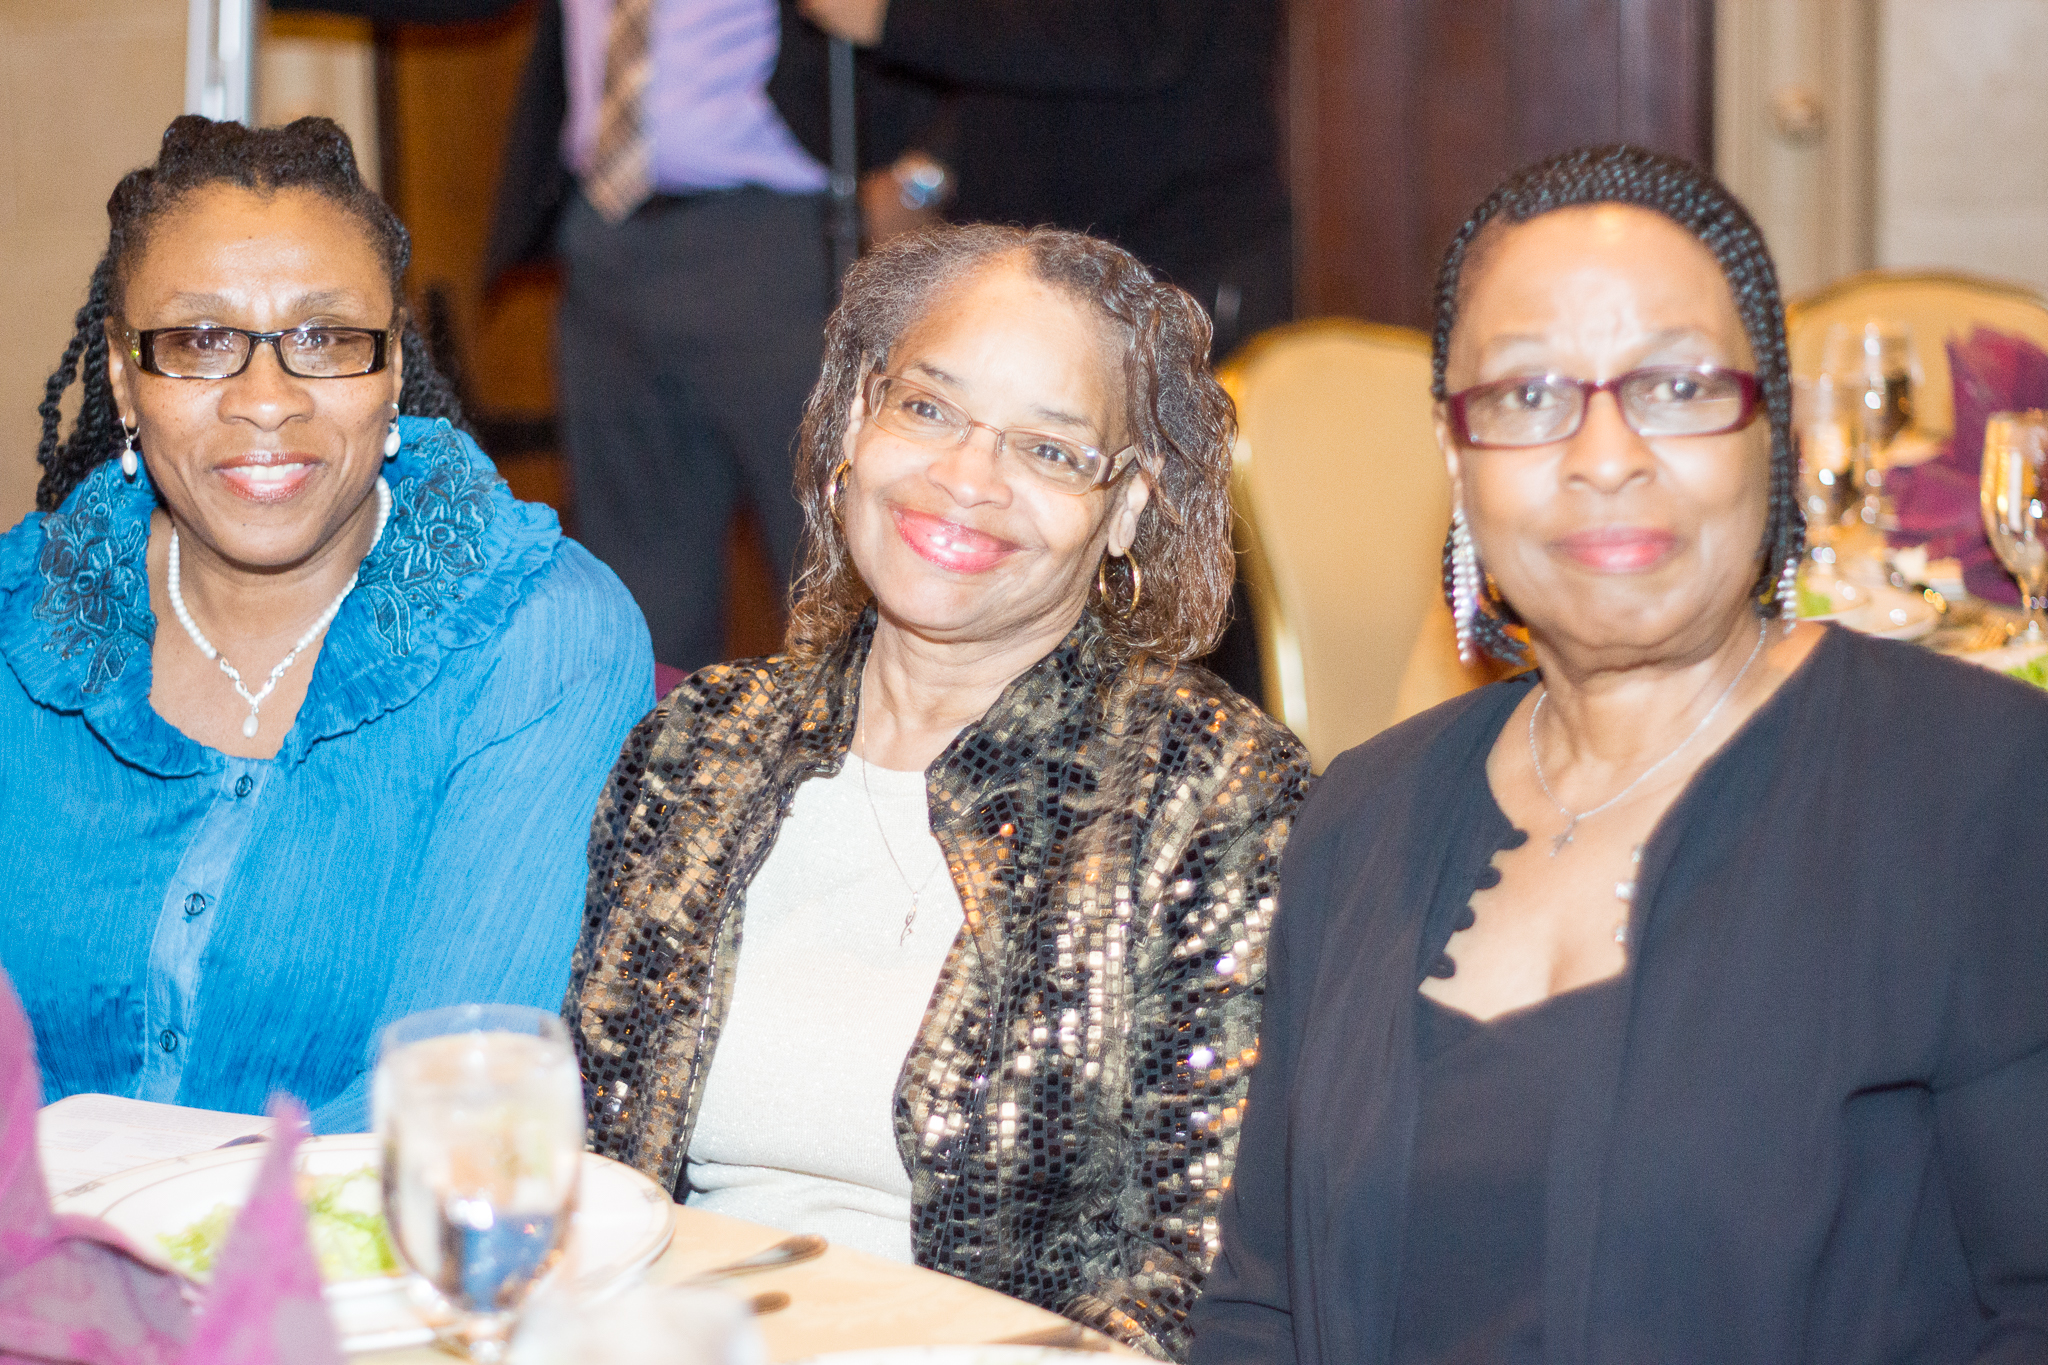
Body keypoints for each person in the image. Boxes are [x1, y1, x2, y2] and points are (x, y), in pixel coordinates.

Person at [1187, 146, 2048, 1364]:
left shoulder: (1980, 787)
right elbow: (1259, 1309)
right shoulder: (1359, 817)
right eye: (1527, 395)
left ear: (1769, 429)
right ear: (1456, 457)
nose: (1603, 456)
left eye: (1676, 386)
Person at [567, 224, 1311, 1357]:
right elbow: (581, 1162)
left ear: (1125, 505)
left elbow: (1199, 1278)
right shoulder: (699, 744)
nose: (967, 479)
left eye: (1049, 450)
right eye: (927, 408)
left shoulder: (1214, 797)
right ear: (853, 423)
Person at [0, 116, 652, 1134]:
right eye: (201, 342)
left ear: (390, 369)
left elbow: (448, 1101)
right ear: (124, 377)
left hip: (357, 1236)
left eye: (325, 339)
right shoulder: (25, 620)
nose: (267, 402)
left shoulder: (542, 638)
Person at [277, 0, 933, 672]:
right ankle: (656, 739)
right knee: (636, 586)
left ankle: (875, 736)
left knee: (836, 561)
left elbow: (952, 32)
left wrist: (932, 167)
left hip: (776, 237)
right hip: (605, 233)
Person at [803, 0, 1292, 364]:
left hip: (1171, 261)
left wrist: (901, 16)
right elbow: (1009, 87)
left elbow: (1133, 31)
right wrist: (928, 173)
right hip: (1030, 263)